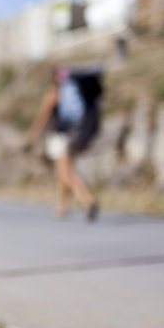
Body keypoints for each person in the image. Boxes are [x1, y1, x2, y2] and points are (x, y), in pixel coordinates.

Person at [24, 65, 101, 222]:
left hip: (59, 137)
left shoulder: (53, 94)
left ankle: (88, 200)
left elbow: (43, 117)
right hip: (75, 134)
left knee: (65, 174)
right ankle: (63, 206)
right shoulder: (73, 93)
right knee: (63, 173)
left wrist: (32, 136)